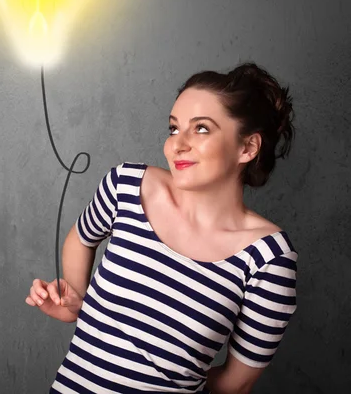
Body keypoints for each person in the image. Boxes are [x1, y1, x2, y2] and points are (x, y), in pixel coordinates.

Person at [26, 62, 298, 393]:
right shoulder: (126, 186)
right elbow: (81, 239)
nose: (176, 144)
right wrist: (74, 298)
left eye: (201, 129)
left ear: (247, 148)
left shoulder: (269, 258)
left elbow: (235, 384)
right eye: (173, 128)